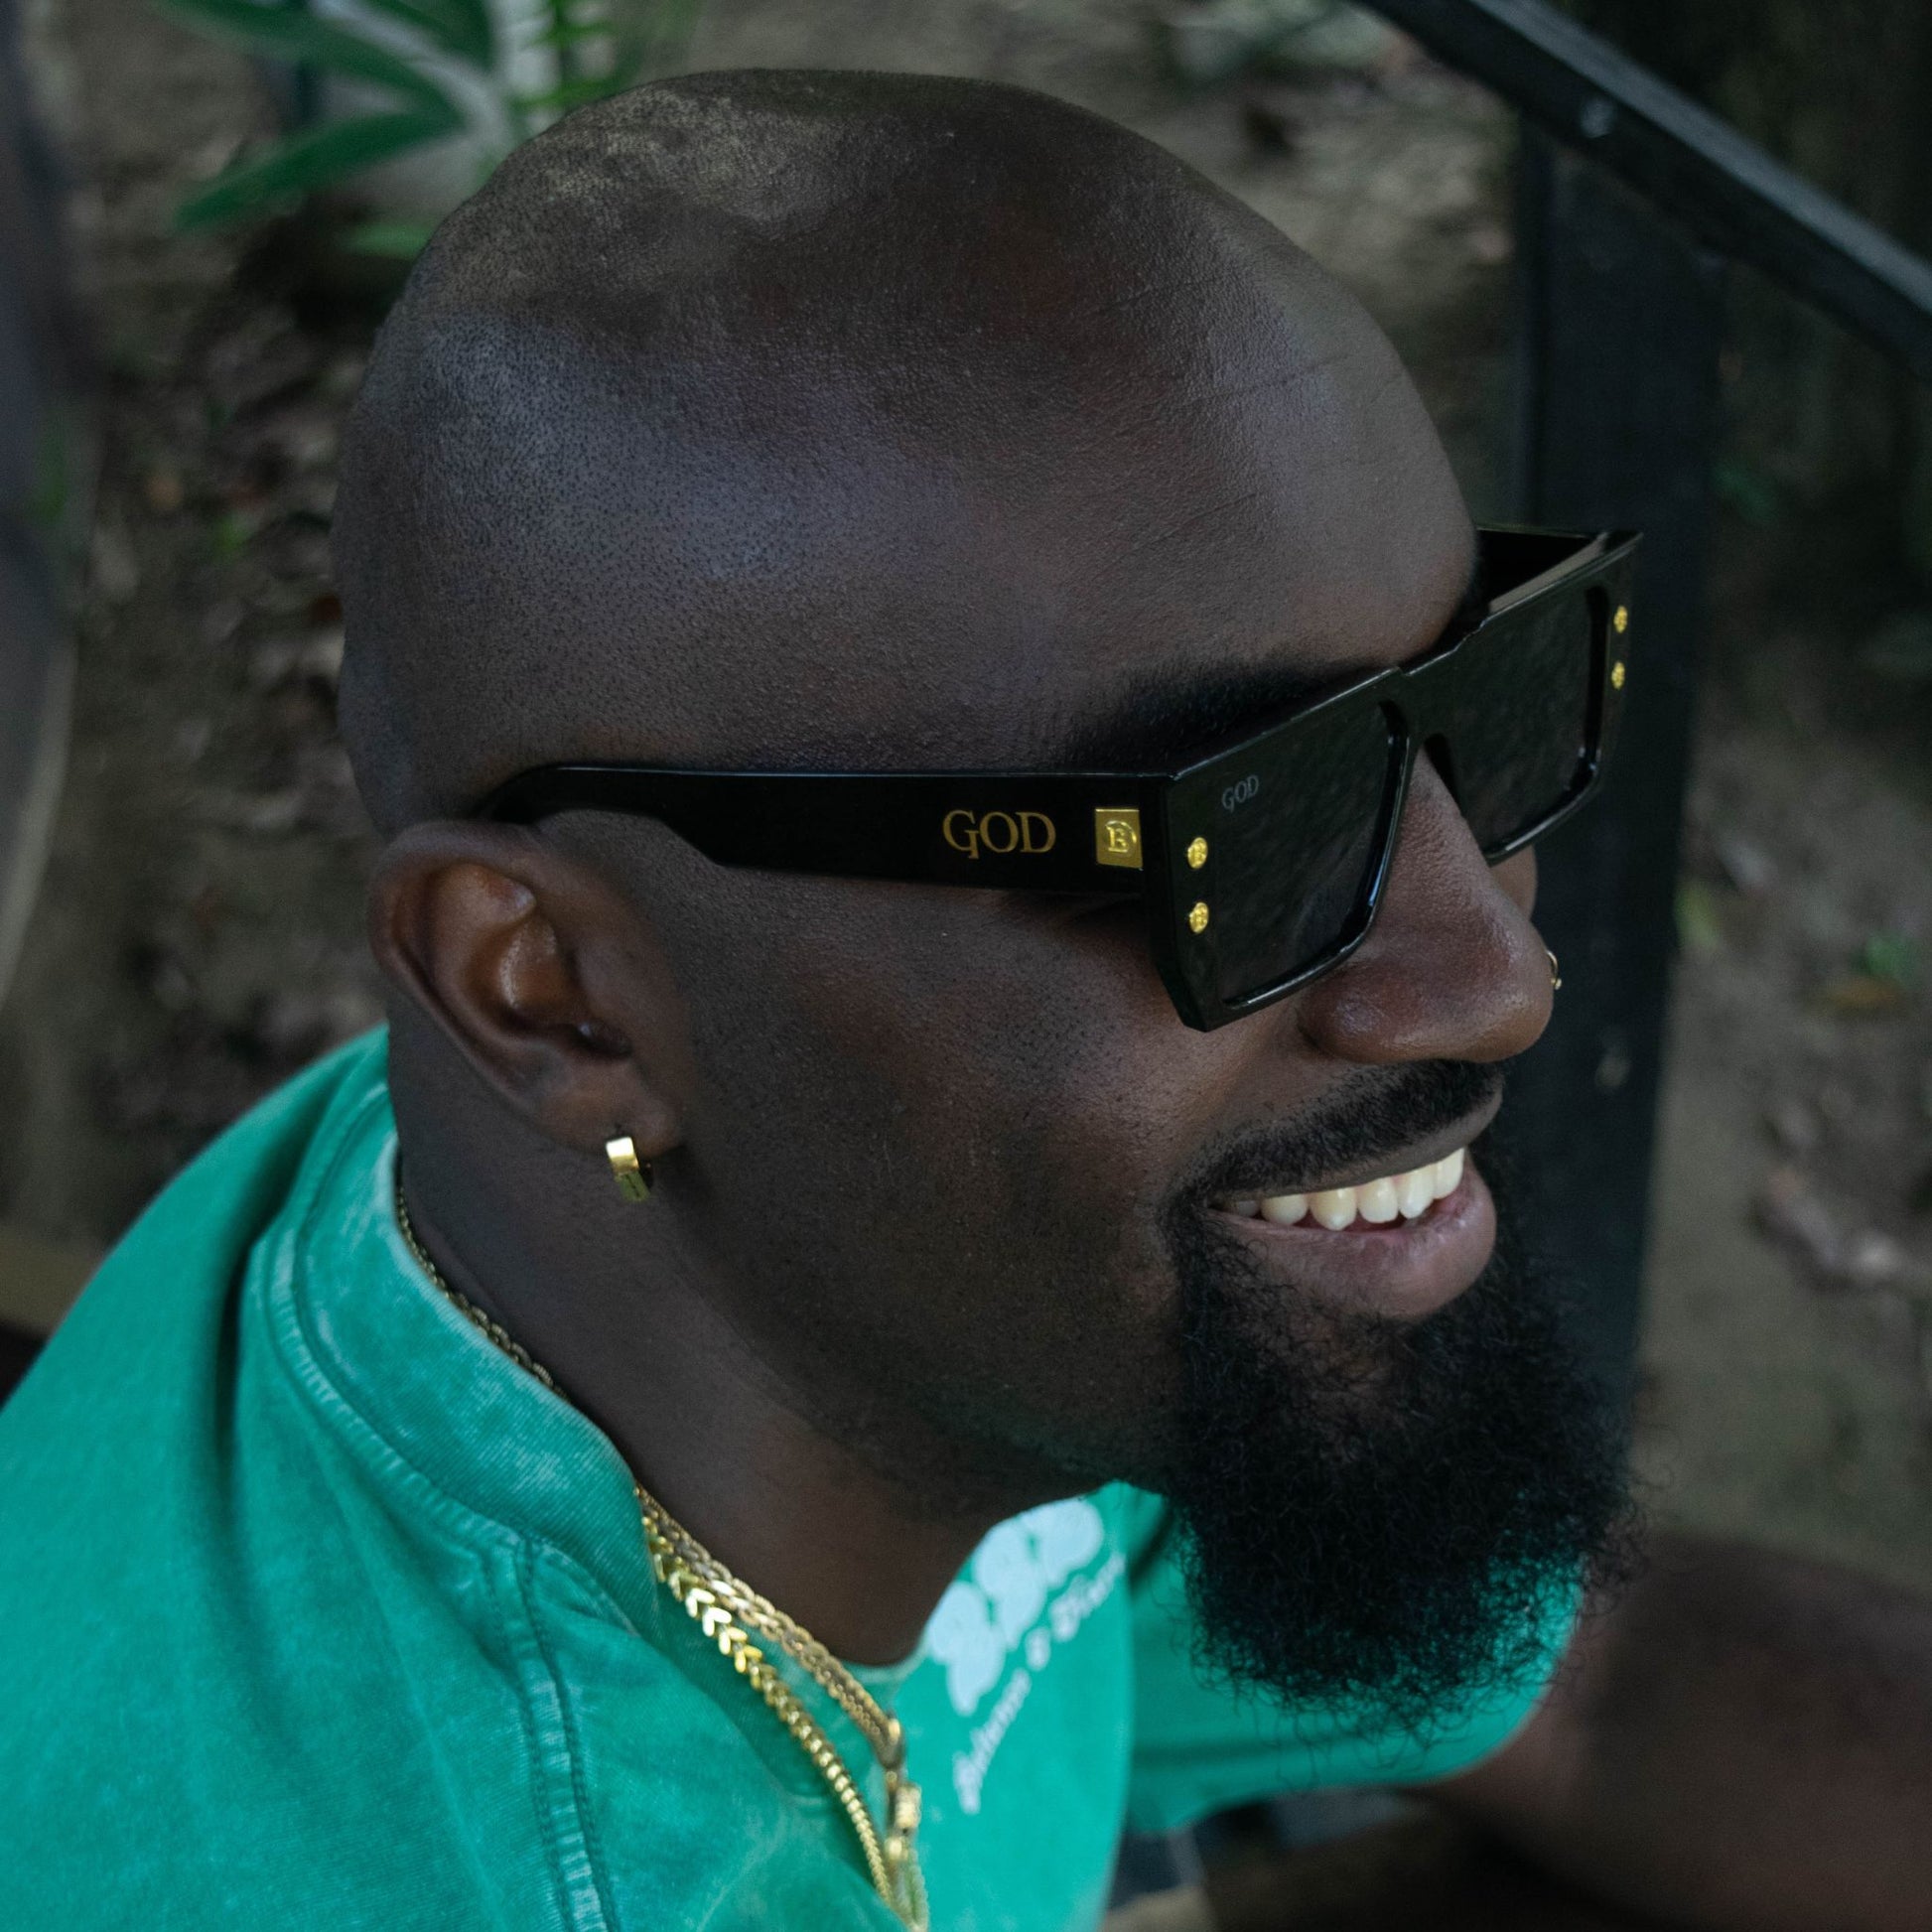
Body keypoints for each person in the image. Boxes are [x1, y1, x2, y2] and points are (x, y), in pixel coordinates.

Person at [1, 70, 1928, 1932]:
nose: (1493, 977)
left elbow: (1599, 1686)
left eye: (1481, 707)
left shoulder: (863, 1295)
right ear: (557, 991)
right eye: (1229, 828)